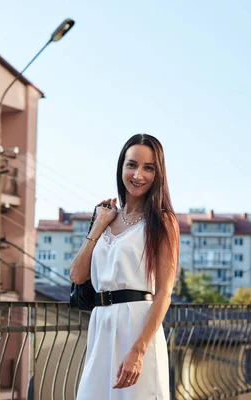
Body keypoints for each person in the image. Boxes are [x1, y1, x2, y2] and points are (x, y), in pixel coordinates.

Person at [70, 133, 180, 399]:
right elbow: (77, 274)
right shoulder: (105, 217)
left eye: (148, 168)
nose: (138, 175)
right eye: (131, 165)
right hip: (102, 325)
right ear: (121, 167)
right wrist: (98, 225)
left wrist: (138, 351)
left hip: (137, 327)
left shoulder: (163, 222)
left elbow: (163, 295)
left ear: (158, 174)